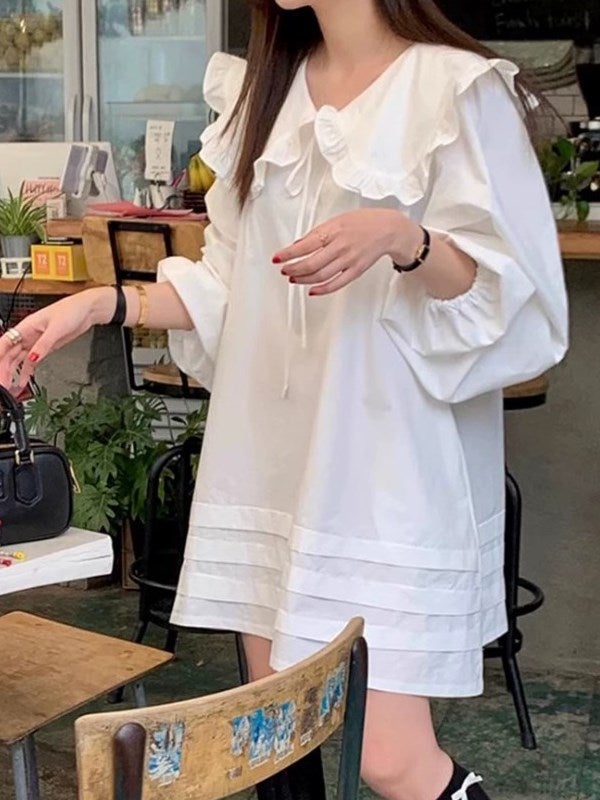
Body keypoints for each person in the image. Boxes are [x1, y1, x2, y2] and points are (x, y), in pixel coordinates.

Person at [0, 2, 568, 798]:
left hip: (388, 477)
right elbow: (231, 291)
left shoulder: (455, 91)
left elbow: (516, 303)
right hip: (268, 467)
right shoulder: (262, 96)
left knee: (390, 757)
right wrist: (101, 303)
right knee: (273, 742)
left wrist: (405, 241)